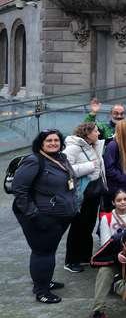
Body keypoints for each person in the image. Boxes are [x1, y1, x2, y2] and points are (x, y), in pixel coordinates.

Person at [11, 129, 79, 303]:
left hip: (59, 215)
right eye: (49, 140)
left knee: (49, 251)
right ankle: (42, 292)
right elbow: (19, 190)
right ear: (41, 143)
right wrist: (34, 215)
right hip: (42, 217)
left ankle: (44, 282)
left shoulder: (60, 158)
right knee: (43, 252)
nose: (53, 143)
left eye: (56, 140)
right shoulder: (34, 161)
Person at [63, 122, 106, 273]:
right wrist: (89, 167)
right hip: (81, 194)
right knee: (77, 227)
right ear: (87, 133)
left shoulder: (93, 145)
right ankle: (71, 261)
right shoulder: (73, 148)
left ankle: (85, 257)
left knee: (88, 225)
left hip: (93, 193)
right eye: (96, 131)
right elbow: (65, 169)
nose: (98, 134)